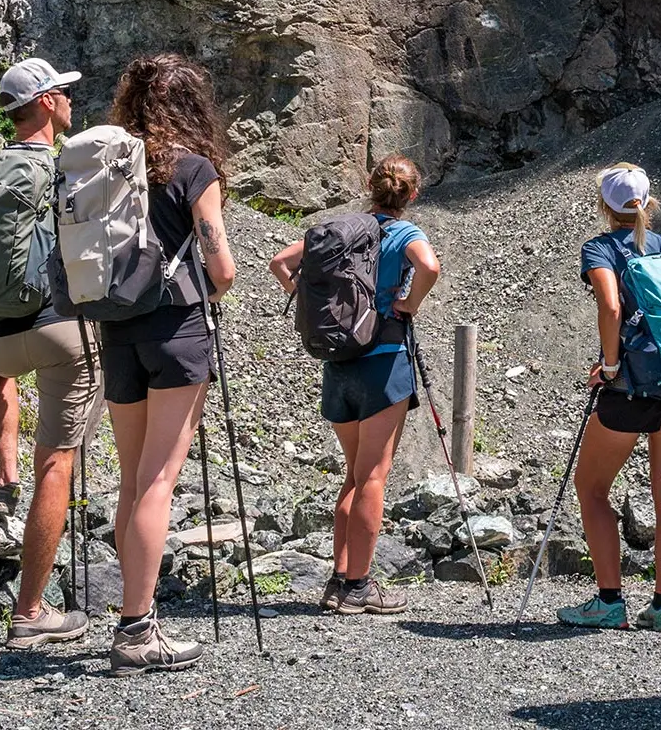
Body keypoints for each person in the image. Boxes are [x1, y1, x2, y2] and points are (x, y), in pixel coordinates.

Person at [101, 54, 237, 676]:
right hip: (176, 328)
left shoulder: (110, 167)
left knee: (132, 479)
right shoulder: (193, 169)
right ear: (191, 106)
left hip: (117, 327)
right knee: (159, 481)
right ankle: (136, 630)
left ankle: (133, 613)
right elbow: (222, 268)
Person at [0, 56, 102, 651]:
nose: (71, 101)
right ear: (45, 103)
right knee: (59, 462)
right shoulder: (61, 167)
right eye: (63, 94)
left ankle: (2, 474)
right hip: (56, 329)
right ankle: (31, 610)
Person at [269, 155, 440, 616]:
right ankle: (360, 586)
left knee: (353, 475)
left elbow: (280, 261)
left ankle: (339, 580)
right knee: (372, 478)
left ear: (370, 185)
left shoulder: (341, 228)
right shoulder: (405, 233)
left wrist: (304, 298)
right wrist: (408, 303)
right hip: (384, 365)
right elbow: (430, 267)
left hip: (339, 363)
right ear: (413, 195)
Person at [558, 163, 661, 634]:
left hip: (630, 385)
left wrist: (611, 366)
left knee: (591, 487)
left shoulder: (600, 248)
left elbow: (611, 305)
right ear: (648, 203)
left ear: (605, 206)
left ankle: (610, 601)